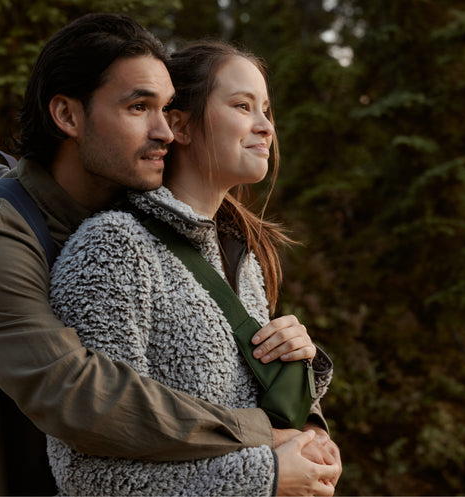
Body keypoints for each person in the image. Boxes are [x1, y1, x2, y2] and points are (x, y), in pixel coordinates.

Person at [0, 14, 340, 495]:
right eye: (138, 108)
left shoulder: (149, 225)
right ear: (68, 116)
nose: (165, 131)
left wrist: (305, 416)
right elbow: (80, 397)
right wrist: (260, 436)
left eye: (167, 109)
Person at [47, 40, 339, 496]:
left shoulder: (241, 256)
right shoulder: (113, 249)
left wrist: (308, 418)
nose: (266, 127)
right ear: (180, 125)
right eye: (243, 106)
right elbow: (87, 477)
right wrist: (266, 479)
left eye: (267, 110)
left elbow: (253, 424)